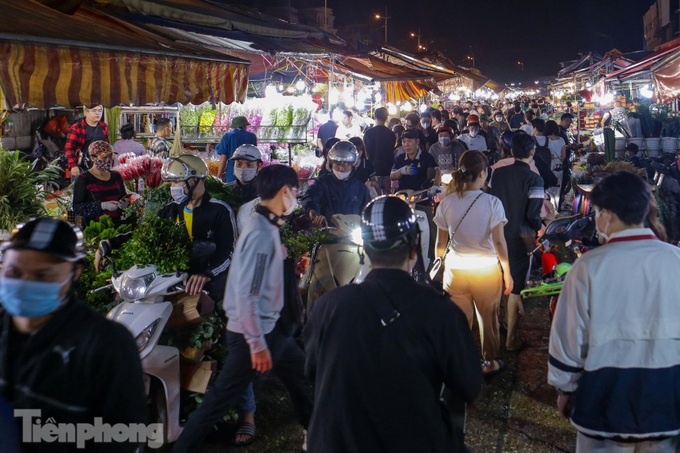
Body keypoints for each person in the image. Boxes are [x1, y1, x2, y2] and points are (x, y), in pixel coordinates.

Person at [304, 195, 482, 453]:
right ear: (413, 248)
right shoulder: (442, 312)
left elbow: (312, 370)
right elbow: (469, 386)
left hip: (336, 441)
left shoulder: (327, 307)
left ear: (365, 249)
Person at [172, 165, 313, 453]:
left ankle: (317, 431)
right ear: (284, 192)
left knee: (301, 380)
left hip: (268, 331)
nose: (296, 197)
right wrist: (258, 345)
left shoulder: (267, 227)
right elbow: (246, 294)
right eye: (295, 192)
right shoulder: (260, 233)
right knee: (219, 400)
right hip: (253, 334)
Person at [548, 171, 680, 452]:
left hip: (605, 401)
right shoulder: (676, 261)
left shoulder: (588, 267)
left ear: (607, 214)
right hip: (668, 401)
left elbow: (569, 339)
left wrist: (565, 389)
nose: (596, 220)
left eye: (595, 212)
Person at [0, 218, 146, 451]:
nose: (24, 284)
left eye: (43, 276)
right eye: (13, 271)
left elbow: (124, 435)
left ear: (74, 272)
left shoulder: (107, 345)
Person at [435, 150, 513, 376]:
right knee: (488, 321)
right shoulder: (492, 203)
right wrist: (507, 273)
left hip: (456, 271)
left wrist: (441, 265)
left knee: (459, 322)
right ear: (482, 173)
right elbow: (499, 242)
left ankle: (459, 362)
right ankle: (489, 363)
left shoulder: (447, 203)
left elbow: (441, 245)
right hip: (485, 271)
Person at [488, 133, 544, 352]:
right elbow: (533, 213)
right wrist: (538, 226)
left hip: (495, 234)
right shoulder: (534, 179)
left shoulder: (498, 174)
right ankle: (511, 339)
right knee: (515, 287)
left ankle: (497, 329)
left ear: (511, 152)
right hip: (520, 236)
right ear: (532, 152)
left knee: (499, 281)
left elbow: (490, 199)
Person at [301, 140, 371, 227]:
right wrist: (313, 212)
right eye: (337, 164)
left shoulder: (360, 188)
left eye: (346, 164)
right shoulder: (322, 182)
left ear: (353, 165)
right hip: (327, 232)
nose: (341, 168)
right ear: (331, 163)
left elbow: (368, 213)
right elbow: (309, 196)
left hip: (352, 234)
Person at [72, 141, 128, 227]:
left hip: (118, 224)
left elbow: (123, 197)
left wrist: (125, 203)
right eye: (104, 157)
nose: (108, 160)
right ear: (93, 158)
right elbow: (77, 208)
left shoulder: (116, 176)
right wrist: (102, 206)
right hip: (95, 227)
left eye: (110, 157)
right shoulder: (83, 179)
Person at [65, 103, 109, 178]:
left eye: (100, 111)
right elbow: (69, 148)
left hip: (100, 168)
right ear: (86, 112)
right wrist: (73, 166)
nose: (98, 113)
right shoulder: (77, 127)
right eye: (94, 111)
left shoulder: (104, 126)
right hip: (81, 167)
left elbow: (106, 146)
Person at [363, 106, 397, 194]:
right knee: (386, 195)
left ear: (375, 117)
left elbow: (367, 151)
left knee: (374, 196)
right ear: (386, 118)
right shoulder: (391, 134)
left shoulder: (368, 133)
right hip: (387, 169)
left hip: (372, 169)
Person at [216, 116, 257, 183]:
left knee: (232, 191)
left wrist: (218, 175)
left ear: (234, 126)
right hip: (249, 173)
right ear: (245, 126)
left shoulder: (228, 136)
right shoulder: (252, 136)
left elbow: (223, 158)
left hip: (232, 173)